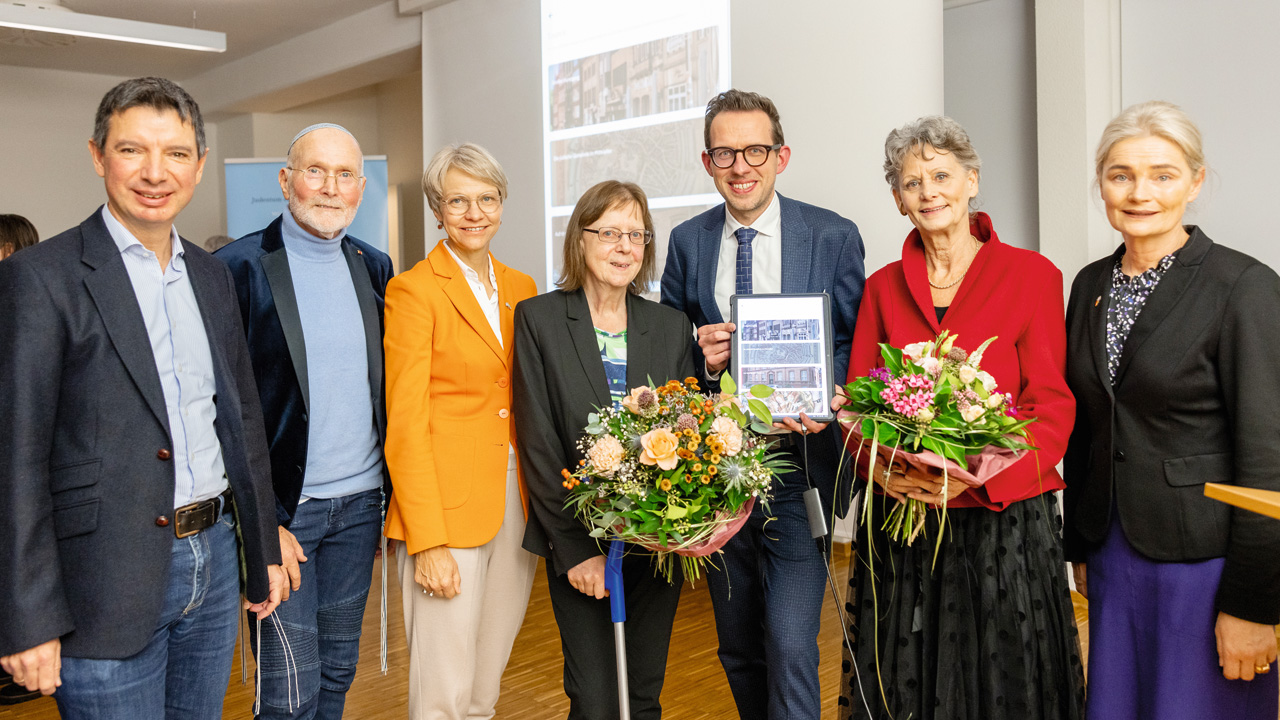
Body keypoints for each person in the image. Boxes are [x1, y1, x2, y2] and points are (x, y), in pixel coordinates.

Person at [0, 76, 284, 719]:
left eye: (177, 154)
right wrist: (25, 616)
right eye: (132, 151)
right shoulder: (39, 279)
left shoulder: (213, 275)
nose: (156, 173)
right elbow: (14, 461)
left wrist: (260, 550)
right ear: (98, 155)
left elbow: (239, 418)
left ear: (199, 165)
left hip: (212, 563)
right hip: (100, 581)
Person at [838, 115, 1084, 720]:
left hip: (1001, 521)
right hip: (905, 516)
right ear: (898, 199)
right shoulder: (881, 288)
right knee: (909, 678)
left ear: (973, 181)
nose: (929, 192)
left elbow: (1050, 406)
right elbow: (856, 405)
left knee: (1003, 678)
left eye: (942, 175)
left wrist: (984, 478)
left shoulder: (1033, 276)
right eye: (911, 182)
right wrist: (888, 472)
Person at [1064, 101, 1280, 720]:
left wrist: (1255, 604)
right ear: (1101, 183)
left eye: (1162, 174)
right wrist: (1078, 540)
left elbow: (1268, 453)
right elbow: (1090, 423)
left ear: (1195, 180)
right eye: (1120, 174)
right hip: (1112, 553)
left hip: (1207, 566)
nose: (1140, 193)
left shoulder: (1244, 285)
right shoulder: (1088, 284)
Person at [660, 88, 865, 719]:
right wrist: (698, 352)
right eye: (725, 153)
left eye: (755, 150)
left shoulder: (831, 235)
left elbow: (856, 343)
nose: (741, 166)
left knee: (791, 642)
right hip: (719, 476)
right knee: (739, 646)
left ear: (782, 156)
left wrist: (825, 392)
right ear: (706, 162)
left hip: (799, 467)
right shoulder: (688, 240)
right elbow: (669, 348)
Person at [216, 123, 393, 719]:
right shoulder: (234, 269)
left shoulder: (375, 266)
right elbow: (222, 413)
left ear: (361, 188)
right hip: (287, 519)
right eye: (314, 171)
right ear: (286, 180)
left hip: (359, 510)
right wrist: (264, 524)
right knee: (289, 691)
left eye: (345, 174)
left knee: (339, 675)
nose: (329, 187)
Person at [515, 180, 696, 719]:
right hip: (579, 540)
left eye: (636, 235)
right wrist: (575, 551)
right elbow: (539, 443)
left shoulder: (669, 326)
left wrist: (679, 530)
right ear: (580, 239)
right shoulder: (539, 319)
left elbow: (687, 435)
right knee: (594, 700)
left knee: (642, 695)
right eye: (609, 232)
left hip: (657, 543)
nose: (624, 247)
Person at [382, 142, 538, 720]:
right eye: (458, 201)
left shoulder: (523, 287)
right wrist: (427, 541)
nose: (474, 213)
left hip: (515, 501)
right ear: (437, 211)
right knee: (442, 692)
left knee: (484, 687)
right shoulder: (414, 290)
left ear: (501, 205)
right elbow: (405, 425)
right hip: (444, 512)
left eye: (486, 199)